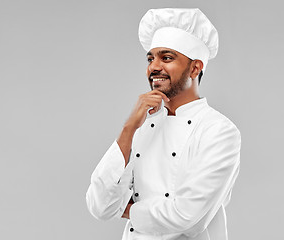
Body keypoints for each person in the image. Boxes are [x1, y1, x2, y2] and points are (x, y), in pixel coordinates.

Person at [86, 8, 241, 240]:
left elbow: (189, 218)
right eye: (151, 58)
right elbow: (99, 205)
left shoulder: (219, 131)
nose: (153, 67)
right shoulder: (141, 127)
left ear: (195, 67)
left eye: (166, 58)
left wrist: (127, 210)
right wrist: (129, 128)